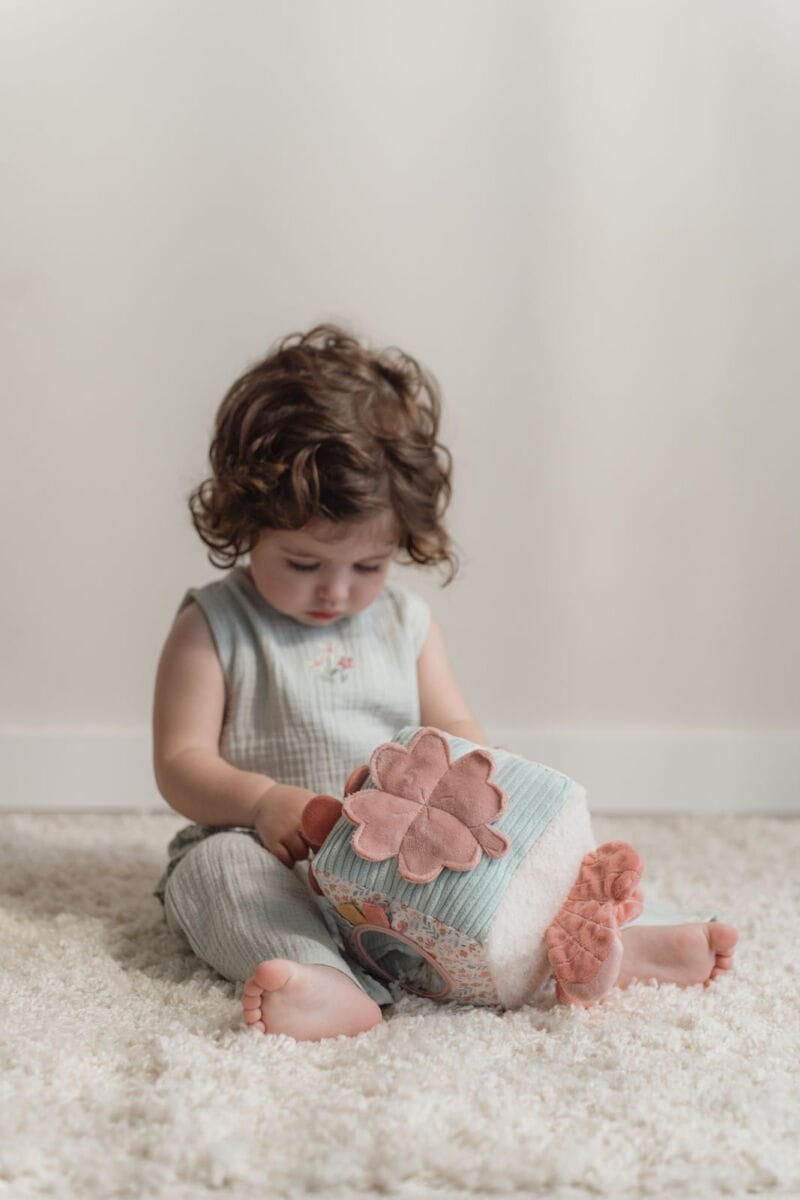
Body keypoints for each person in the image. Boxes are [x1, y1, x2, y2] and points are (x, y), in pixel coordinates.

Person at [152, 324, 738, 1042]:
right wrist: (261, 801)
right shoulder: (214, 624)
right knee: (215, 875)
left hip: (403, 866)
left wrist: (486, 788)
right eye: (303, 563)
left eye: (368, 566)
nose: (335, 590)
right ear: (245, 523)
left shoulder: (406, 625)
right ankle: (325, 980)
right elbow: (180, 762)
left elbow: (455, 730)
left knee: (513, 871)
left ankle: (608, 943)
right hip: (269, 851)